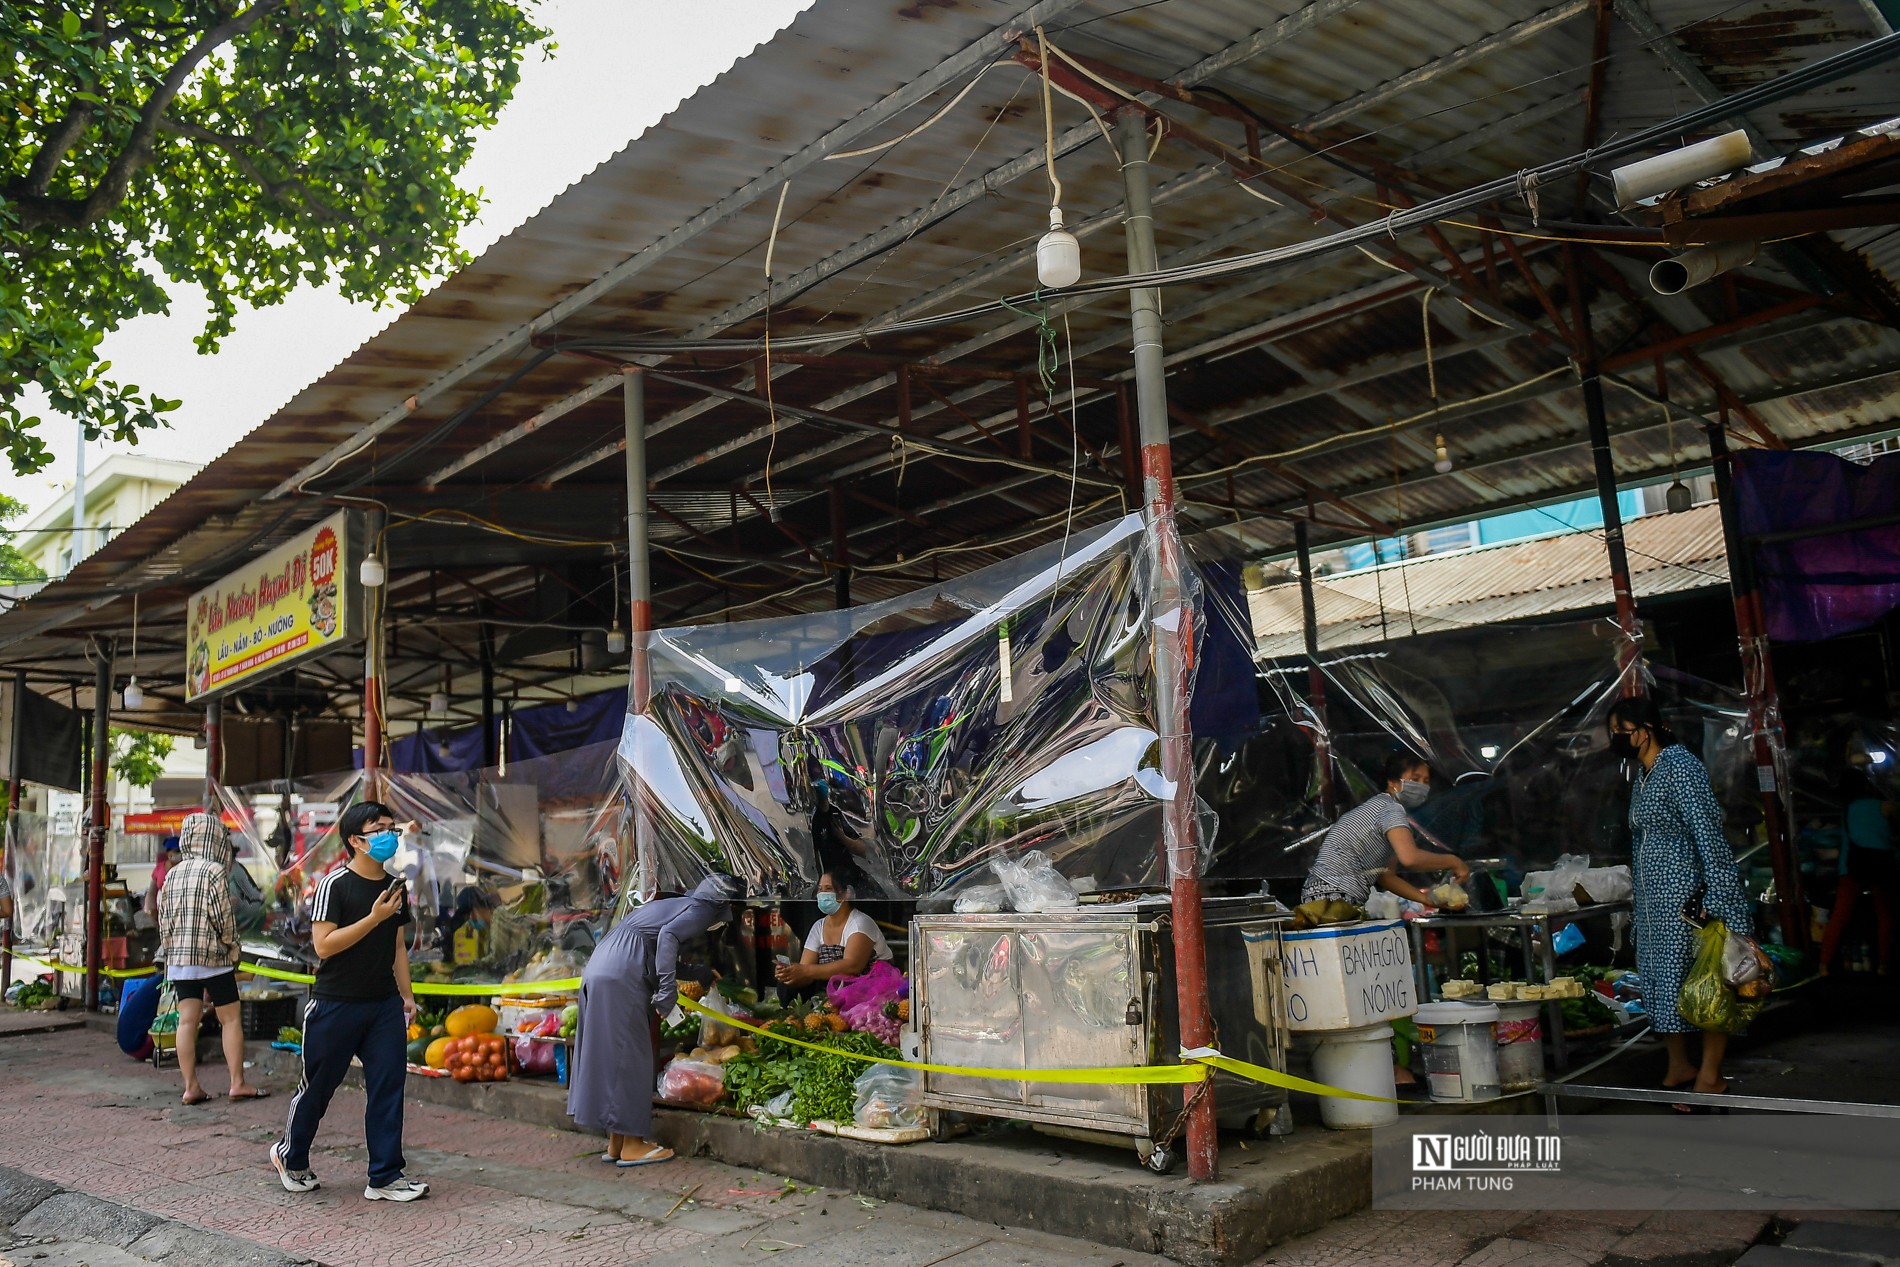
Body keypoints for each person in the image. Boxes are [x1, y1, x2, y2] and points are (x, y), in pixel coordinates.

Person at [272, 801, 429, 1202]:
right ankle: (290, 1156)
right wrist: (373, 918)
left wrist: (407, 995)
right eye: (380, 829)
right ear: (356, 840)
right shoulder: (333, 885)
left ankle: (385, 1176)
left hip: (383, 1004)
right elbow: (324, 947)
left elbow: (397, 944)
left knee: (388, 1085)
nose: (390, 835)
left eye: (392, 828)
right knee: (319, 1086)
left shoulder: (395, 887)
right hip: (335, 1003)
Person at [1608, 696, 1755, 1100]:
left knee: (1707, 982)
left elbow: (1708, 832)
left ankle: (1711, 1074)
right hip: (1656, 907)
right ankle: (1680, 1065)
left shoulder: (1681, 767)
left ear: (1645, 728)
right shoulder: (1643, 774)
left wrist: (1720, 895)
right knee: (1667, 982)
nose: (1616, 740)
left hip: (1689, 899)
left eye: (1621, 732)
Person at [568, 873, 742, 1168]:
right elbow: (668, 937)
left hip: (605, 964)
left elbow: (656, 944)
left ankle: (617, 1142)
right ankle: (633, 1144)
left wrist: (693, 971)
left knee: (613, 1056)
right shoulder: (703, 907)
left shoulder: (679, 905)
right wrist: (666, 991)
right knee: (631, 1056)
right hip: (622, 972)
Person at [157, 813, 263, 1105]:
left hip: (180, 960)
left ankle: (191, 1087)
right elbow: (223, 918)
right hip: (213, 958)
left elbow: (163, 921)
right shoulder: (215, 872)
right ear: (215, 839)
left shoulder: (172, 874)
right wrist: (233, 947)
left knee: (187, 1021)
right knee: (229, 1019)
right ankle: (237, 1083)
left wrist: (170, 951)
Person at [1302, 751, 1470, 907]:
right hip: (1336, 895)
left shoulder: (1378, 806)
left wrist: (1427, 900)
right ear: (1392, 782)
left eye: (1425, 781)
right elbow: (1410, 858)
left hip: (1317, 896)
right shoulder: (1391, 809)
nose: (1421, 786)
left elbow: (1386, 876)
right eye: (1415, 778)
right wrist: (1453, 861)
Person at [1819, 770, 1896, 976]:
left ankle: (1824, 965)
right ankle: (1883, 965)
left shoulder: (1847, 810)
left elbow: (1846, 842)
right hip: (1882, 867)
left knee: (1839, 916)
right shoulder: (1885, 806)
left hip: (1852, 867)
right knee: (1885, 916)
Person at [775, 866, 893, 988]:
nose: (822, 894)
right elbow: (806, 974)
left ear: (847, 893)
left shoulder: (860, 923)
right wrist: (789, 973)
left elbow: (852, 966)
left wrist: (805, 971)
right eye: (820, 889)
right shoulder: (818, 927)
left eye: (828, 889)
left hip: (872, 990)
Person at [145, 836, 180, 917]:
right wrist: (152, 910)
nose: (179, 854)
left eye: (180, 851)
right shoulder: (159, 868)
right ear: (169, 853)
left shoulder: (185, 867)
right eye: (176, 851)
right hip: (161, 911)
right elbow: (151, 892)